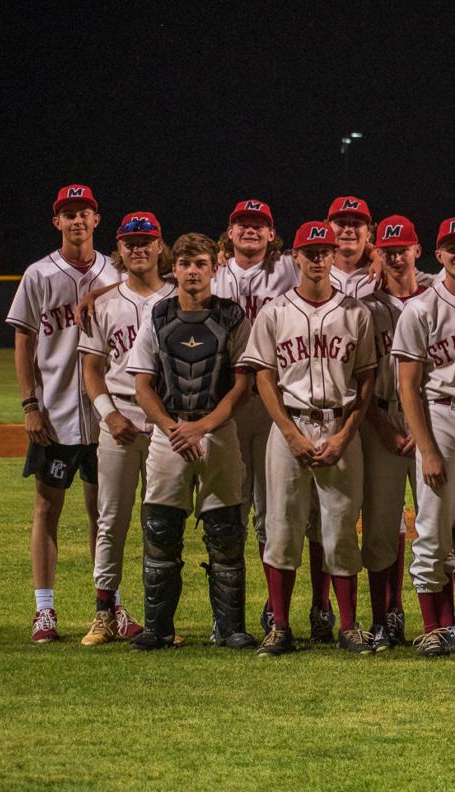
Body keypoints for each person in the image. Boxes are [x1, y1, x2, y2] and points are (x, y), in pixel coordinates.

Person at [242, 221, 378, 657]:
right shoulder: (274, 312)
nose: (318, 258)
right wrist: (288, 432)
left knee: (340, 531)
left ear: (333, 256)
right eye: (310, 252)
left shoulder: (356, 312)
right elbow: (263, 376)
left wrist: (345, 435)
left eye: (325, 251)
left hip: (340, 428)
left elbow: (366, 378)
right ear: (295, 258)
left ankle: (349, 626)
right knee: (281, 528)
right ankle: (280, 627)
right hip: (290, 428)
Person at [125, 232, 257, 650]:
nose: (193, 272)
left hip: (217, 432)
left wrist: (201, 428)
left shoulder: (233, 315)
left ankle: (230, 628)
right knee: (161, 528)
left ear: (214, 267)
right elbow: (143, 384)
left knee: (225, 531)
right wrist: (171, 428)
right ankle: (158, 628)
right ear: (174, 269)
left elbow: (242, 386)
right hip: (171, 432)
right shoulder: (158, 315)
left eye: (200, 263)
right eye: (185, 264)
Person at [6, 184, 120, 642]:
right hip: (53, 413)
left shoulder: (115, 272)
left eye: (84, 212)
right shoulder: (38, 274)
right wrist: (30, 403)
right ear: (57, 222)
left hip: (106, 415)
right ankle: (44, 610)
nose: (77, 220)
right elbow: (24, 340)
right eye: (68, 213)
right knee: (46, 509)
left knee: (103, 515)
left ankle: (107, 607)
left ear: (96, 220)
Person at [392, 217, 455, 657]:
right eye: (452, 247)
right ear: (439, 254)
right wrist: (428, 448)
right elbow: (407, 387)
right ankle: (435, 626)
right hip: (442, 417)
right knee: (433, 527)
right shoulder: (420, 309)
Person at [77, 211, 174, 644]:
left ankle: (159, 620)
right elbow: (92, 369)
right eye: (130, 242)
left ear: (159, 246)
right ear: (119, 249)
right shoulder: (104, 303)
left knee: (162, 523)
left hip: (165, 427)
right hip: (119, 421)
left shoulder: (180, 297)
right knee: (111, 520)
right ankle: (104, 613)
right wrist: (107, 414)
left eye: (146, 240)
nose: (138, 248)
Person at [358, 215, 429, 649]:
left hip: (431, 425)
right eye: (388, 249)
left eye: (403, 247)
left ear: (417, 250)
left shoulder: (436, 299)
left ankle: (445, 618)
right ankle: (385, 617)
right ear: (377, 254)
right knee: (382, 527)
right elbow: (358, 378)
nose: (396, 255)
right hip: (381, 421)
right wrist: (381, 425)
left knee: (437, 525)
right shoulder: (363, 307)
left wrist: (422, 430)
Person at [327, 196, 377, 297]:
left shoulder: (384, 272)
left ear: (368, 234)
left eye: (356, 224)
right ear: (327, 229)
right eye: (341, 223)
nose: (348, 229)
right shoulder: (309, 271)